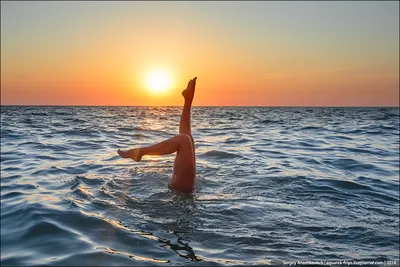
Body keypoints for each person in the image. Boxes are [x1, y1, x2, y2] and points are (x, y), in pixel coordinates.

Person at [117, 77, 197, 193]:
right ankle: (188, 101)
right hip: (185, 192)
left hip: (182, 193)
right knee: (187, 140)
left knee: (185, 140)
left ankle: (140, 152)